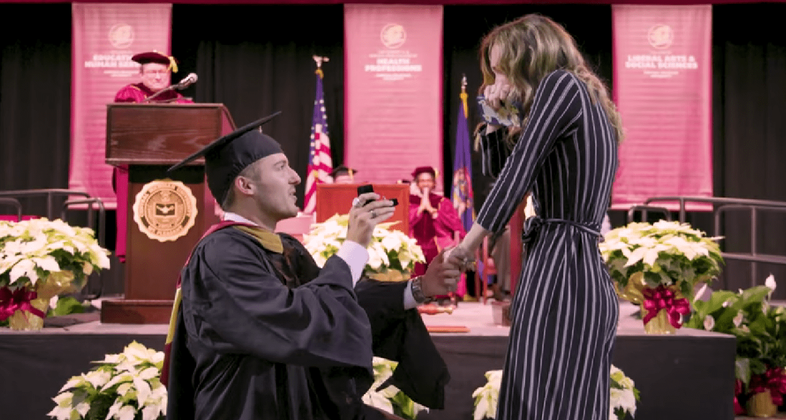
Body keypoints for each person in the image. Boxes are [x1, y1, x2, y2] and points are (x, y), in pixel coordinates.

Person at [162, 113, 458, 420]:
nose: (296, 177)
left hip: (297, 405)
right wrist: (353, 245)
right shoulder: (220, 255)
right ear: (245, 185)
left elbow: (336, 303)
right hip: (246, 409)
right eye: (281, 168)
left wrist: (421, 288)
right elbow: (300, 319)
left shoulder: (286, 248)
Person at [447, 14, 623, 419]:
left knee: (536, 403)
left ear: (529, 57)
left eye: (503, 68)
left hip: (561, 267)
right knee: (562, 403)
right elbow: (505, 170)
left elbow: (514, 177)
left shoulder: (561, 86)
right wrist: (496, 117)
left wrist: (465, 248)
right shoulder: (586, 95)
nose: (498, 80)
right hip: (572, 266)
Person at [111, 51, 193, 262]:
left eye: (162, 72)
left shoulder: (178, 99)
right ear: (141, 73)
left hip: (173, 169)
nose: (158, 77)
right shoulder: (129, 95)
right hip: (136, 167)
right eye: (152, 72)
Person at [408, 166, 466, 277]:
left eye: (429, 181)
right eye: (422, 181)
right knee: (415, 279)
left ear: (434, 184)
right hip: (414, 245)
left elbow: (454, 224)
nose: (425, 184)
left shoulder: (443, 202)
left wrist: (433, 212)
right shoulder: (410, 202)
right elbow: (405, 222)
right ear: (417, 183)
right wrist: (420, 210)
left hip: (437, 244)